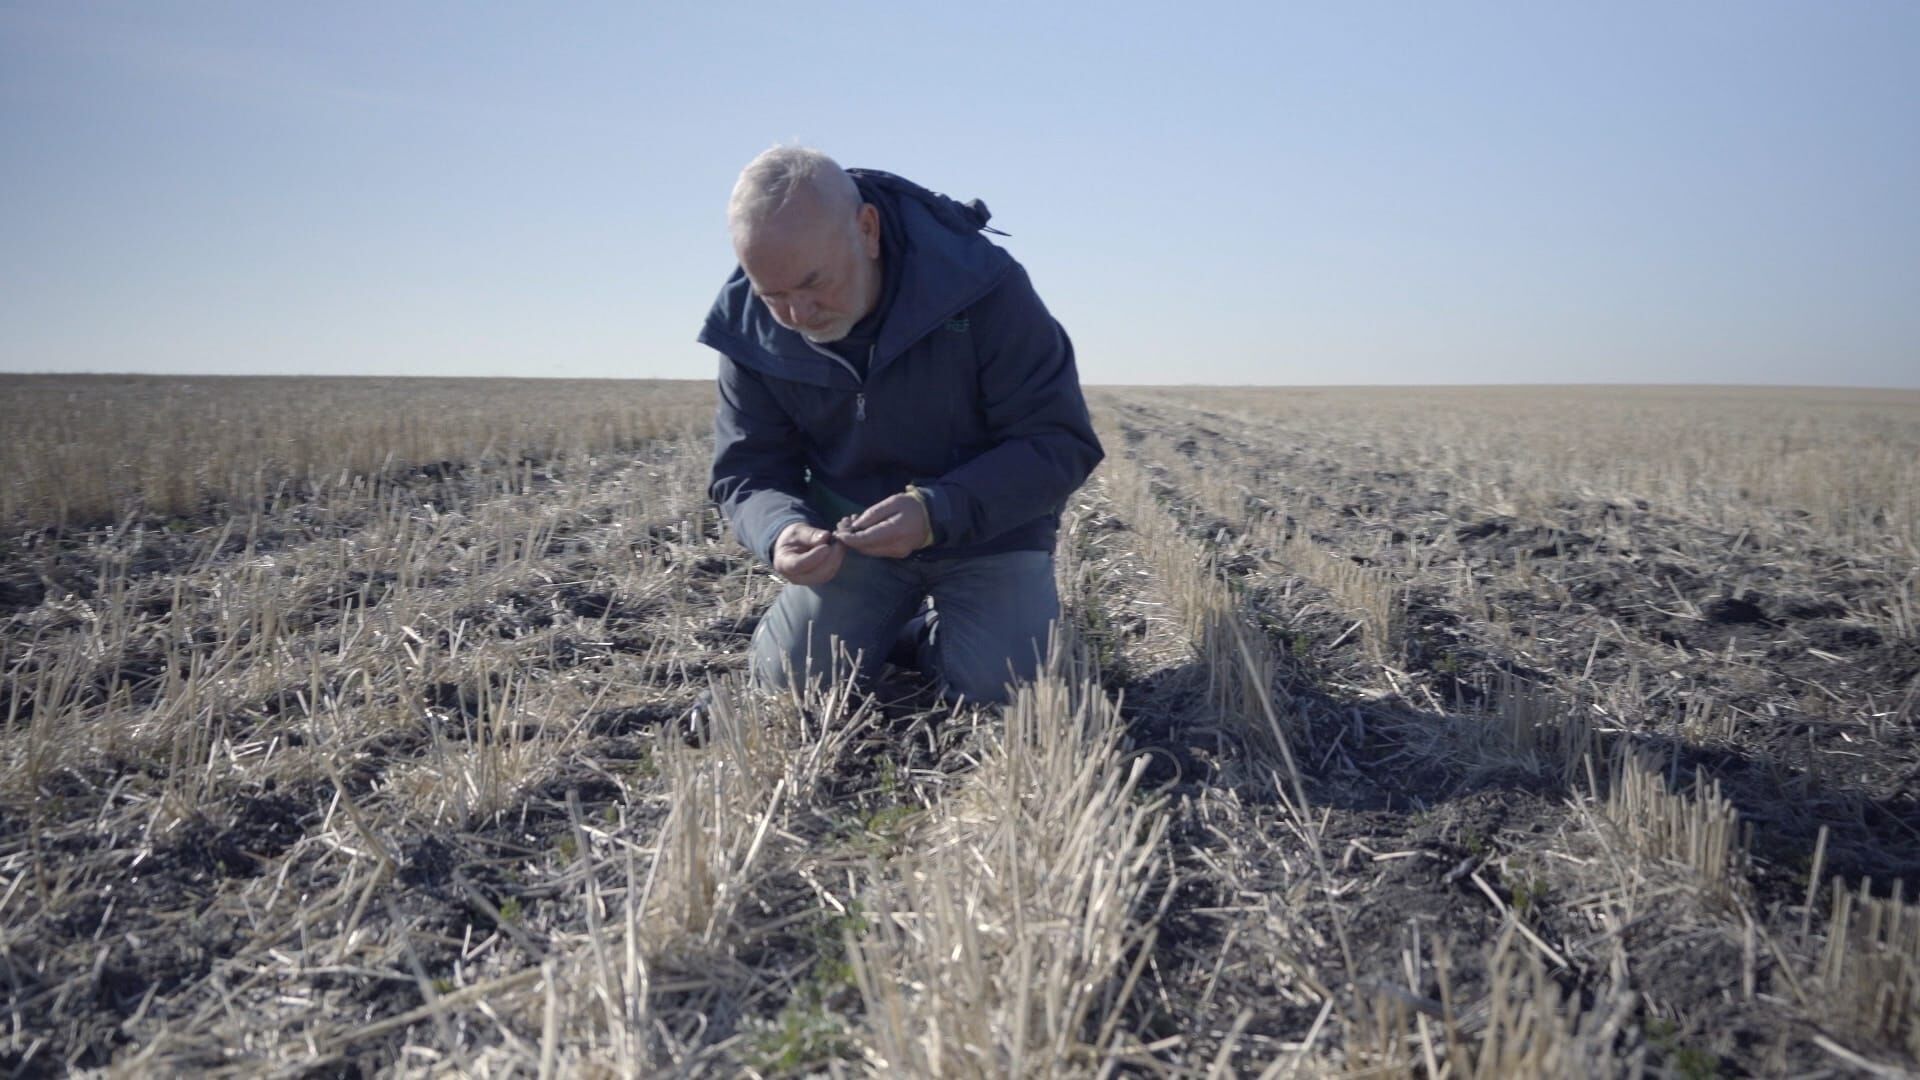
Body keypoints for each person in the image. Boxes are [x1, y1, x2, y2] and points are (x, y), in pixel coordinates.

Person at [698, 146, 1103, 706]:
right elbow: (747, 470)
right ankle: (897, 629)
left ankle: (947, 636)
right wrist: (780, 531)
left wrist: (937, 510)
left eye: (815, 283)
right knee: (789, 690)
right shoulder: (748, 327)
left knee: (1012, 692)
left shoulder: (983, 288)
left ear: (867, 231)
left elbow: (1059, 442)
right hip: (852, 540)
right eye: (774, 296)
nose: (797, 315)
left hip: (990, 530)